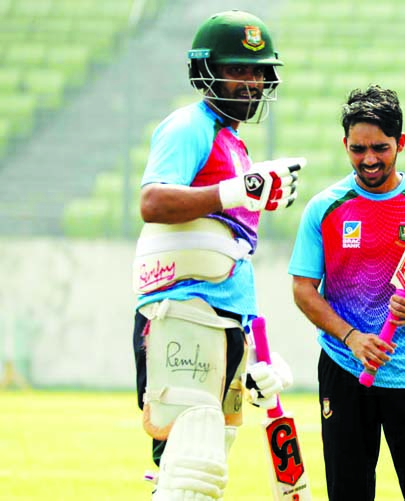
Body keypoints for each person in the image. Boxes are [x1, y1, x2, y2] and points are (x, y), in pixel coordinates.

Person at [131, 10, 301, 500]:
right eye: (238, 70)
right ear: (207, 71)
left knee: (206, 461)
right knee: (191, 462)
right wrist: (236, 191)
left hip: (221, 320)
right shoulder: (189, 126)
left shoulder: (233, 142)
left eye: (257, 72)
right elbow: (153, 202)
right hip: (182, 313)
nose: (251, 82)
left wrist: (252, 352)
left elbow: (229, 253)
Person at [289, 84, 405, 501]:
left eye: (380, 148)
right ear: (345, 144)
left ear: (400, 143)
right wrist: (352, 338)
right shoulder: (326, 207)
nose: (368, 159)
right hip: (345, 367)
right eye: (358, 148)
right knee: (348, 493)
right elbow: (303, 289)